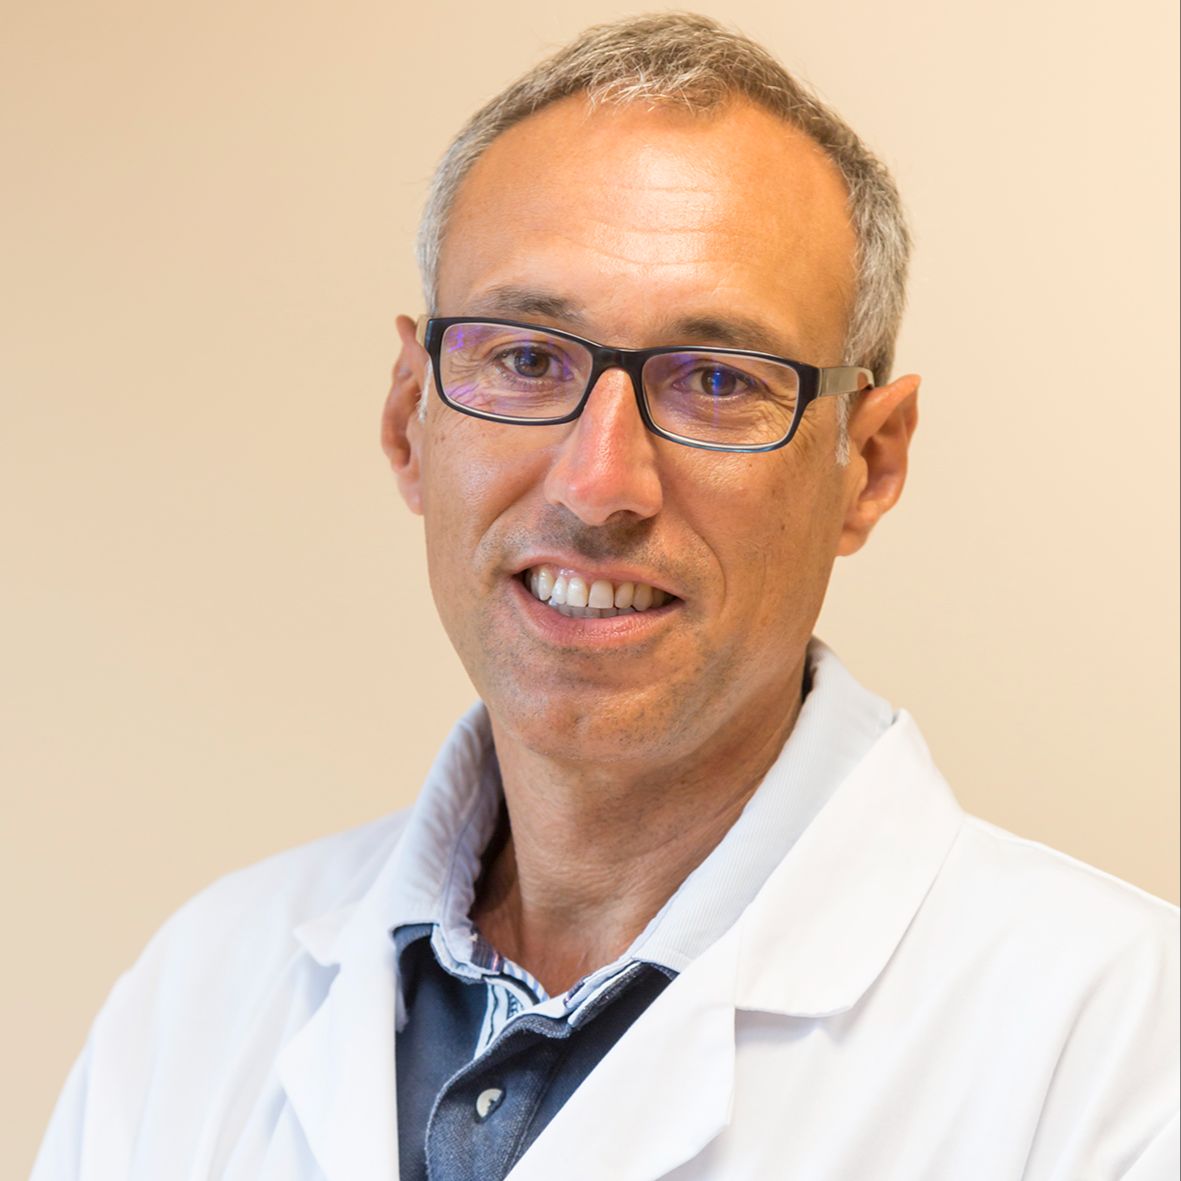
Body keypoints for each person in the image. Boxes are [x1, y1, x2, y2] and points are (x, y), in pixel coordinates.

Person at [31, 13, 1178, 1181]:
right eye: (526, 359)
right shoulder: (200, 993)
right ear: (408, 418)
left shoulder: (1122, 1056)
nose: (598, 484)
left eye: (716, 379)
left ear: (868, 464)